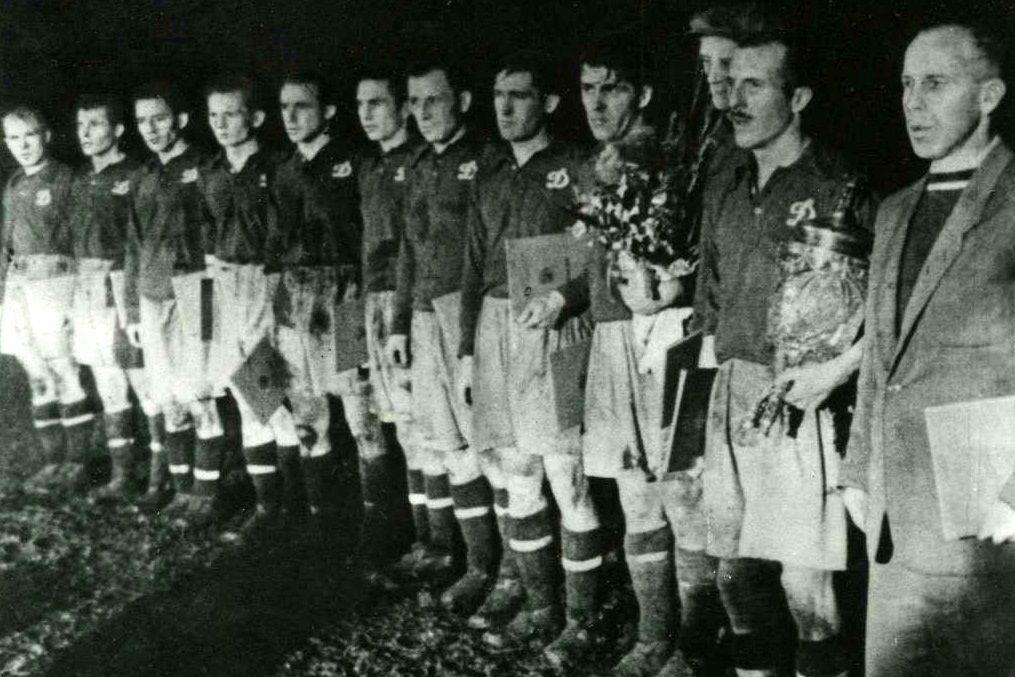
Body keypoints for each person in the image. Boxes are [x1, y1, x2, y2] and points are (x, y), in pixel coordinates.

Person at [693, 29, 876, 677]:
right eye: (729, 84)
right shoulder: (726, 181)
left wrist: (837, 373)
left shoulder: (842, 186)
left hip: (806, 405)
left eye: (753, 85)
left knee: (807, 590)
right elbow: (709, 301)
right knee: (735, 577)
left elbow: (889, 312)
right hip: (731, 395)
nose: (732, 101)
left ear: (797, 97)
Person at [841, 21, 1015, 676]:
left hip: (987, 521)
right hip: (893, 516)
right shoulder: (893, 211)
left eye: (935, 84)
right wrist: (858, 469)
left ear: (989, 95)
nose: (913, 103)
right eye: (906, 84)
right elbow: (879, 358)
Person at [456, 50, 601, 664]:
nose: (507, 107)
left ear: (549, 103)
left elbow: (604, 254)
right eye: (499, 96)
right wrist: (466, 349)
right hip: (496, 325)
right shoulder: (489, 174)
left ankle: (582, 621)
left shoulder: (578, 166)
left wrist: (565, 297)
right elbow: (471, 268)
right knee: (517, 471)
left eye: (520, 95)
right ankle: (540, 608)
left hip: (556, 328)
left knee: (567, 474)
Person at [384, 56, 502, 611]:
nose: (423, 112)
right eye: (415, 102)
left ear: (463, 102)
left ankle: (509, 571)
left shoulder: (488, 159)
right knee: (448, 445)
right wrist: (400, 322)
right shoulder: (416, 164)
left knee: (492, 448)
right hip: (427, 316)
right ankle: (472, 563)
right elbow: (407, 251)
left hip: (472, 313)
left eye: (434, 100)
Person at [274, 72, 378, 532]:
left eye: (302, 106)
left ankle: (378, 521)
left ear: (328, 112)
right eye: (284, 108)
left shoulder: (354, 162)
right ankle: (323, 517)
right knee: (304, 404)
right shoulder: (285, 169)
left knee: (360, 407)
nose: (291, 117)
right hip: (297, 295)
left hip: (347, 294)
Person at [200, 74, 301, 539]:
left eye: (231, 114)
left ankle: (295, 507)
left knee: (273, 396)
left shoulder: (279, 168)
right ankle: (266, 506)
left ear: (255, 118)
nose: (221, 124)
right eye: (214, 116)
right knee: (245, 399)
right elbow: (206, 238)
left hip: (266, 281)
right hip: (225, 285)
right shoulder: (211, 172)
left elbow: (292, 236)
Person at [125, 82, 224, 524]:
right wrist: (132, 307)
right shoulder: (143, 175)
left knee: (199, 392)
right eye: (142, 121)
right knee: (168, 398)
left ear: (181, 120)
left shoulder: (205, 167)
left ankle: (207, 494)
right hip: (152, 296)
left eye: (160, 119)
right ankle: (182, 491)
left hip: (194, 292)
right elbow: (133, 245)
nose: (150, 129)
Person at [67, 93, 157, 501]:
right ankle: (123, 475)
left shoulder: (137, 174)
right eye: (81, 126)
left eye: (96, 125)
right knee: (108, 382)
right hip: (87, 287)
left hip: (123, 284)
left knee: (143, 381)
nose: (85, 134)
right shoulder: (80, 179)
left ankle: (160, 475)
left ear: (118, 129)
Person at [0, 106, 91, 492]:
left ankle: (77, 462)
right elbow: (6, 244)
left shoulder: (67, 179)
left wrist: (79, 294)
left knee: (65, 370)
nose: (22, 145)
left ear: (46, 136)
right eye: (13, 138)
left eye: (30, 135)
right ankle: (53, 462)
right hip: (19, 284)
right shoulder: (14, 183)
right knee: (36, 374)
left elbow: (82, 238)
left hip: (55, 282)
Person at [355, 62, 422, 583]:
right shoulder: (369, 167)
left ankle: (434, 540)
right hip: (368, 302)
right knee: (380, 420)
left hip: (409, 303)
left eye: (377, 103)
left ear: (403, 108)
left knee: (421, 425)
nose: (366, 114)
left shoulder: (417, 163)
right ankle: (390, 528)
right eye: (360, 105)